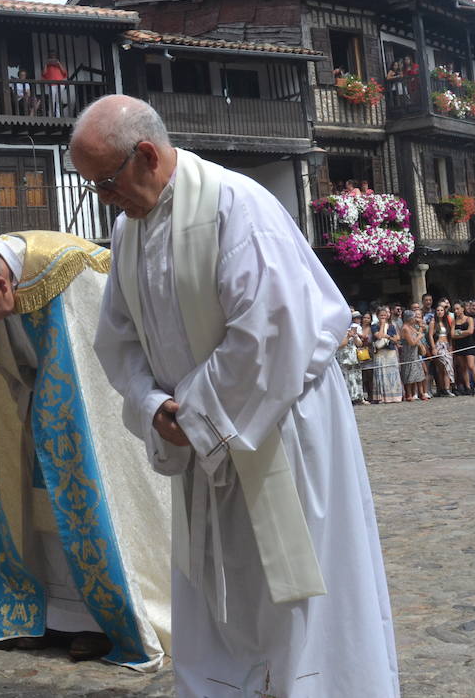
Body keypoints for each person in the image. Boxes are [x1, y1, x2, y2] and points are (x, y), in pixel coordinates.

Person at [70, 95, 398, 696]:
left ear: (146, 155)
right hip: (203, 438)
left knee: (293, 592)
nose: (102, 197)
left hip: (277, 430)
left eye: (106, 181)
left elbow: (275, 333)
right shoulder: (128, 231)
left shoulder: (235, 204)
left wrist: (191, 413)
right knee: (218, 592)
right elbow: (115, 339)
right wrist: (152, 406)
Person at [0, 233, 172, 667]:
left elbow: (99, 366)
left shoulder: (71, 269)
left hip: (84, 418)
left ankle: (99, 621)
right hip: (26, 411)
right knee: (34, 512)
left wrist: (57, 406)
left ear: (1, 287)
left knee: (85, 505)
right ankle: (49, 614)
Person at [398, 309, 428, 401]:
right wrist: (419, 336)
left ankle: (421, 393)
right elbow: (411, 342)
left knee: (419, 373)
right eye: (413, 317)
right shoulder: (405, 328)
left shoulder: (412, 327)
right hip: (408, 353)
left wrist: (420, 326)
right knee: (409, 373)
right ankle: (409, 394)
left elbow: (423, 328)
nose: (415, 319)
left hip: (415, 353)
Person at [451, 301, 475, 394]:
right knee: (463, 367)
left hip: (469, 344)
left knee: (471, 366)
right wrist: (464, 333)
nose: (456, 311)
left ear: (462, 309)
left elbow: (470, 331)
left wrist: (459, 333)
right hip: (460, 345)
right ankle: (467, 387)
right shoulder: (454, 321)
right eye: (454, 309)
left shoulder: (469, 319)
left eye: (458, 309)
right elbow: (452, 335)